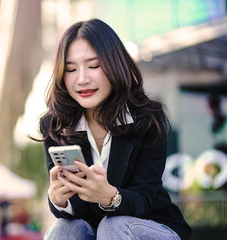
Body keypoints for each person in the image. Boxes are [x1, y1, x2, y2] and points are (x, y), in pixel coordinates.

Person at [38, 19, 192, 240]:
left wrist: (111, 196)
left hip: (152, 226)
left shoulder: (147, 119)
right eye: (71, 69)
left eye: (93, 66)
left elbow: (144, 200)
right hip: (96, 231)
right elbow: (77, 213)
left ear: (114, 64)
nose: (82, 79)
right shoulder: (55, 125)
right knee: (64, 228)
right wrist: (58, 200)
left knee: (113, 225)